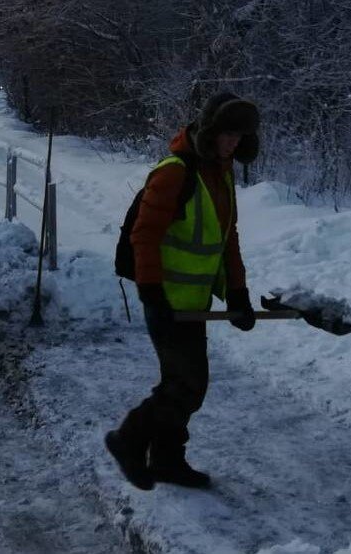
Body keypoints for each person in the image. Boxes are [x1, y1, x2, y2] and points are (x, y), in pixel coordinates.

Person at [105, 92, 261, 490]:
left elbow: (227, 239)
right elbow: (144, 236)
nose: (233, 143)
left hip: (194, 304)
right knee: (185, 385)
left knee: (185, 384)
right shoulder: (175, 172)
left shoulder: (220, 171)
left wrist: (238, 295)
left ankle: (168, 460)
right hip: (166, 301)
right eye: (227, 134)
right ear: (209, 131)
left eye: (239, 137)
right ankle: (128, 439)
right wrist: (152, 293)